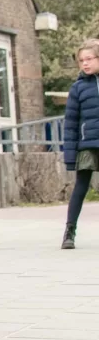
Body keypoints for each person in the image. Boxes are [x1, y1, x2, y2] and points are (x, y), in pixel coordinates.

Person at [62, 39, 99, 249]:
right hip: (88, 143)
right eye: (81, 60)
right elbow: (71, 124)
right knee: (81, 186)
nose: (85, 64)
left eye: (89, 59)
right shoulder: (77, 88)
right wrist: (70, 156)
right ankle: (69, 231)